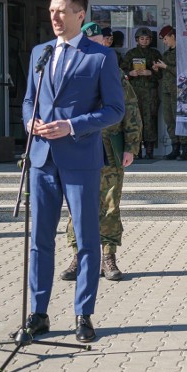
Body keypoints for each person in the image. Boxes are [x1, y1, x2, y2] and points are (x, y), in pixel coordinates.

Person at [21, 0, 124, 343]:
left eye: (62, 11)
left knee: (86, 239)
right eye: (52, 10)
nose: (54, 17)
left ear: (80, 15)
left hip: (80, 159)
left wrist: (72, 125)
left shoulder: (100, 57)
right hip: (42, 160)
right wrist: (29, 122)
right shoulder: (41, 52)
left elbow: (115, 110)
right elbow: (29, 100)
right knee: (39, 241)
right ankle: (37, 314)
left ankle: (84, 314)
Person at [64, 45, 142, 282]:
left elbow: (130, 110)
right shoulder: (71, 74)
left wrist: (131, 146)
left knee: (110, 204)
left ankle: (108, 257)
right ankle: (79, 256)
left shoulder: (115, 74)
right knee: (77, 205)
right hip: (78, 149)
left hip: (109, 149)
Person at [121, 27, 162, 159]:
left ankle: (150, 151)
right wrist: (130, 74)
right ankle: (136, 151)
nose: (144, 41)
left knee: (150, 120)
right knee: (135, 120)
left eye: (147, 39)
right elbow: (121, 72)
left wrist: (150, 72)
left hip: (150, 92)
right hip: (134, 92)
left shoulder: (155, 54)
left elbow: (162, 74)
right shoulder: (131, 54)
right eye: (142, 38)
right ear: (137, 40)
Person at [156, 25, 187, 160]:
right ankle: (174, 147)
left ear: (173, 36)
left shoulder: (183, 52)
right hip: (167, 91)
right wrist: (157, 69)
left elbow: (184, 71)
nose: (164, 42)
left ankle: (186, 149)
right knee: (169, 120)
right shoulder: (166, 54)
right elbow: (164, 74)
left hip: (180, 91)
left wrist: (165, 66)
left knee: (181, 120)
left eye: (165, 39)